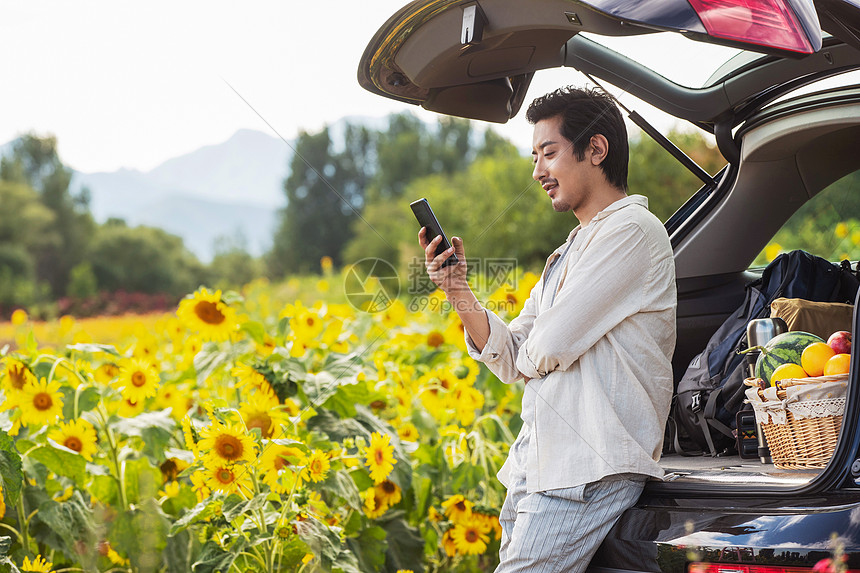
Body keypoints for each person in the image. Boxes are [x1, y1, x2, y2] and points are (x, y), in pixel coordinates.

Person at [419, 86, 677, 572]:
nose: (537, 171)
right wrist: (457, 290)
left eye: (549, 152)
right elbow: (513, 356)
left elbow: (547, 345)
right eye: (534, 156)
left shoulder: (633, 231)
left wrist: (534, 354)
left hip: (588, 469)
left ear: (596, 150)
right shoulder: (568, 253)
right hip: (541, 468)